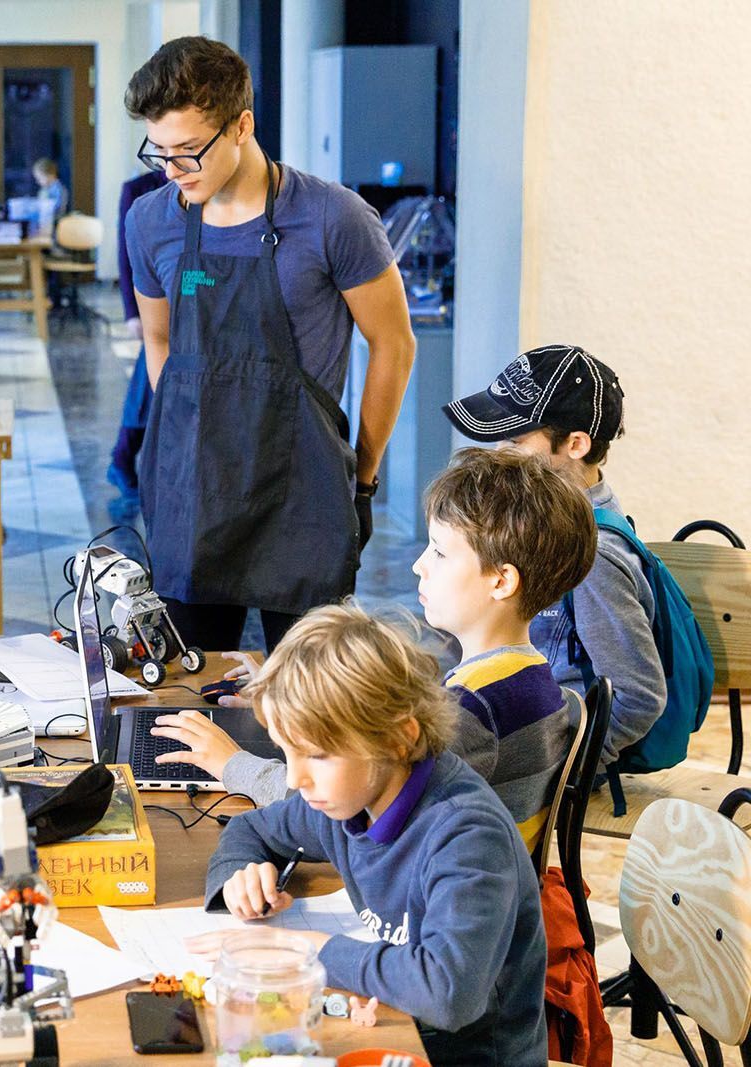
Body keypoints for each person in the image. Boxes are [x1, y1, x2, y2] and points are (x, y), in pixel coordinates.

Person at [123, 37, 416, 652]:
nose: (172, 170)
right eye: (159, 153)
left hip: (301, 492)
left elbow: (393, 343)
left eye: (188, 151)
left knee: (309, 686)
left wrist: (362, 478)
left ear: (242, 126)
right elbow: (159, 337)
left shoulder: (334, 218)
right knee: (188, 684)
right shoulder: (150, 221)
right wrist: (183, 436)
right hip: (194, 494)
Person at [155, 449, 598, 856]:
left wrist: (231, 764)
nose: (419, 565)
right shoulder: (521, 676)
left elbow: (341, 810)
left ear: (501, 581)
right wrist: (296, 700)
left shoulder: (476, 710)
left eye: (439, 553)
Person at [198, 604, 548, 1066]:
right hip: (391, 1028)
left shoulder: (466, 835)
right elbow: (251, 828)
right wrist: (241, 875)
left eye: (316, 755)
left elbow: (448, 992)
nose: (296, 778)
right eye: (286, 752)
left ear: (398, 738)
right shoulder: (348, 799)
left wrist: (312, 951)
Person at [443, 344, 664, 771]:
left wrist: (566, 772)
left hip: (545, 763)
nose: (499, 451)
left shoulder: (594, 557)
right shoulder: (548, 518)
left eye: (515, 439)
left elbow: (639, 696)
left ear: (576, 444)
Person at [107, 168, 169, 514]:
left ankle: (125, 456)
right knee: (150, 375)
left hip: (190, 290)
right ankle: (123, 456)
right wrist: (132, 311)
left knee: (151, 379)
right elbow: (126, 253)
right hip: (152, 298)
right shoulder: (138, 189)